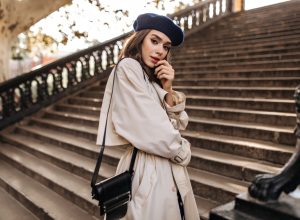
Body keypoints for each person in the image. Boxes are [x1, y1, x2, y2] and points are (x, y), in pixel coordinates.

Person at [96, 13, 199, 220]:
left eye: (166, 46)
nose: (160, 51)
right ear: (140, 39)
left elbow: (173, 126)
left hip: (165, 167)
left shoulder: (151, 80)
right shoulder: (128, 67)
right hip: (145, 170)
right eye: (154, 41)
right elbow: (151, 126)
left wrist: (167, 88)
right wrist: (181, 151)